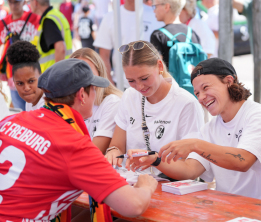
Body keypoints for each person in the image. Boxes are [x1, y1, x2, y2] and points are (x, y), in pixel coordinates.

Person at [0, 58, 158, 221]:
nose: (96, 95)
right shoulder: (72, 144)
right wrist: (145, 186)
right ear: (82, 95)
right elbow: (134, 205)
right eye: (94, 89)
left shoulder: (12, 120)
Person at [124, 57, 261, 204]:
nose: (201, 97)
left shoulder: (257, 115)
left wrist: (195, 144)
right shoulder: (210, 128)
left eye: (206, 87)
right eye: (197, 93)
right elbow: (190, 169)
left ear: (229, 81)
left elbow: (243, 161)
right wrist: (156, 160)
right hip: (228, 210)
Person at [104, 40, 204, 178]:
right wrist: (113, 152)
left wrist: (156, 160)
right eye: (131, 81)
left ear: (159, 66)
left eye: (144, 78)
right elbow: (117, 145)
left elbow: (191, 169)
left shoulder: (186, 104)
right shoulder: (129, 96)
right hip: (131, 183)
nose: (139, 87)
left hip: (170, 188)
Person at [93, 0, 164, 85]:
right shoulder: (110, 17)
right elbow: (104, 55)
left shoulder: (155, 15)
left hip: (152, 85)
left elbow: (162, 52)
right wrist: (111, 86)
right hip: (121, 84)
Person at [70, 48, 123, 153]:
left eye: (87, 73)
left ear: (100, 74)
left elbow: (95, 152)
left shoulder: (112, 102)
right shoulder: (69, 103)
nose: (83, 79)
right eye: (77, 73)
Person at [0, 0, 40, 111]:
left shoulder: (35, 19)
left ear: (24, 2)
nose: (13, 5)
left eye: (16, 2)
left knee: (35, 109)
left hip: (33, 72)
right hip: (13, 75)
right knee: (20, 110)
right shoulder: (2, 24)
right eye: (11, 2)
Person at [150, 0, 201, 68]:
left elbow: (158, 68)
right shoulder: (192, 33)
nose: (154, 11)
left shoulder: (158, 35)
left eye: (155, 6)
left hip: (169, 78)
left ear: (166, 7)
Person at [29, 0, 73, 73]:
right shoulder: (57, 15)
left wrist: (56, 75)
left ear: (35, 2)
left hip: (52, 76)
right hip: (65, 70)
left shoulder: (48, 20)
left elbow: (60, 48)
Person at [6, 41, 45, 111]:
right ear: (14, 83)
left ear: (41, 77)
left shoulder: (48, 106)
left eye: (31, 81)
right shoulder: (29, 103)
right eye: (20, 83)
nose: (26, 88)